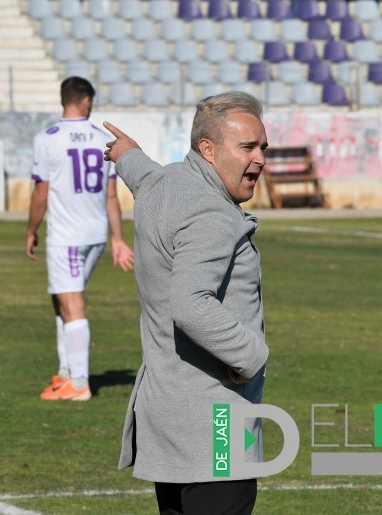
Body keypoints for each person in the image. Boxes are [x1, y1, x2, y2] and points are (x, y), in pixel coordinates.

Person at [103, 91, 269, 515]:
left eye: (262, 147)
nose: (260, 159)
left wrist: (126, 154)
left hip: (170, 424)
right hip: (216, 427)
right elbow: (191, 302)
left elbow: (142, 175)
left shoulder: (165, 183)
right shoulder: (211, 211)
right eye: (247, 147)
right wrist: (250, 355)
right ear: (208, 151)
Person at [26, 76, 134, 402]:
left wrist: (31, 230)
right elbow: (112, 196)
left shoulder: (47, 138)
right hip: (95, 234)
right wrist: (117, 239)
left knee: (71, 304)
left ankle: (80, 382)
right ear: (86, 100)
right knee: (62, 299)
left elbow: (41, 194)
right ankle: (65, 374)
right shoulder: (103, 138)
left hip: (66, 236)